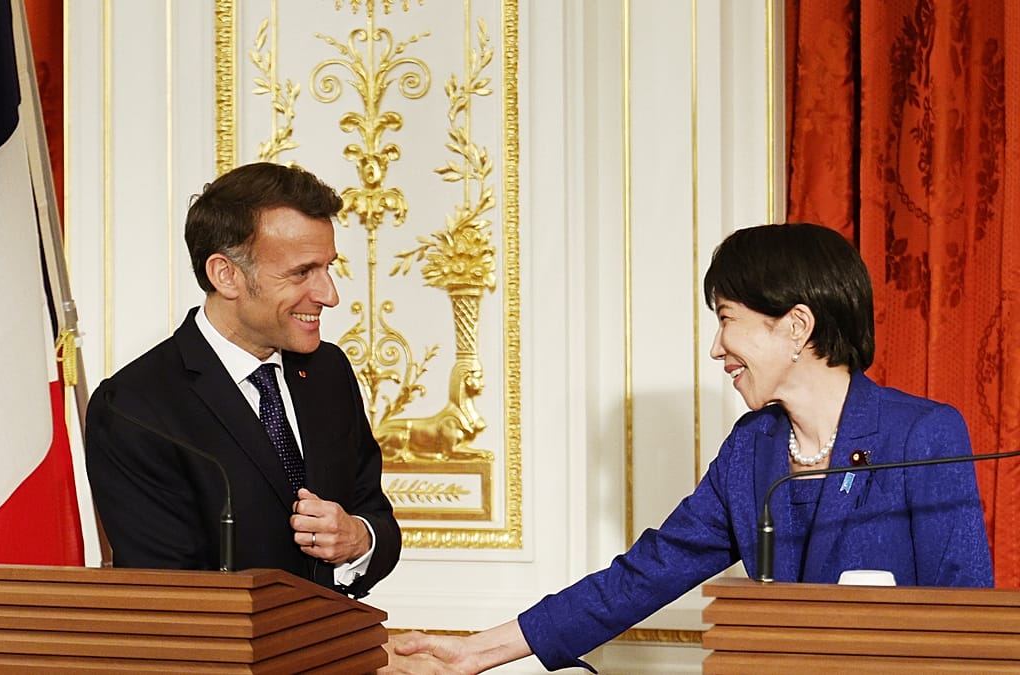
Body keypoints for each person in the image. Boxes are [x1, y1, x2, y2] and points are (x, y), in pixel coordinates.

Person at [385, 222, 993, 672]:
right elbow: (646, 574)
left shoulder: (922, 435)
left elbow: (967, 626)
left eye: (727, 319)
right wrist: (476, 652)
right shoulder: (752, 448)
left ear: (796, 327)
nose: (716, 347)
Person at [85, 162, 401, 598]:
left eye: (328, 268)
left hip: (338, 637)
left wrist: (359, 539)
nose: (329, 295)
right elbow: (170, 594)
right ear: (226, 275)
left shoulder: (328, 371)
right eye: (301, 272)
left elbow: (375, 517)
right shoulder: (133, 407)